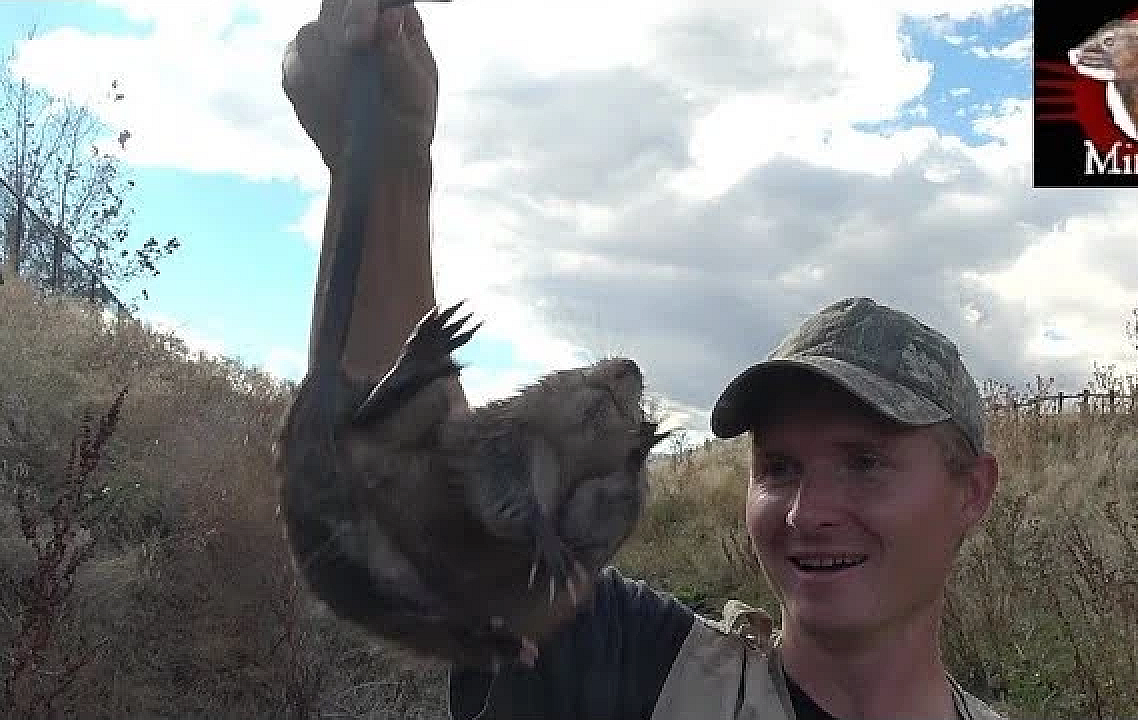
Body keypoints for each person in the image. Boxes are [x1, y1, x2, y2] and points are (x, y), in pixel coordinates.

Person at [282, 2, 1006, 718]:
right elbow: (413, 485)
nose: (806, 512)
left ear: (972, 491)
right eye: (778, 468)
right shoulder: (634, 667)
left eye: (865, 462)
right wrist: (390, 165)